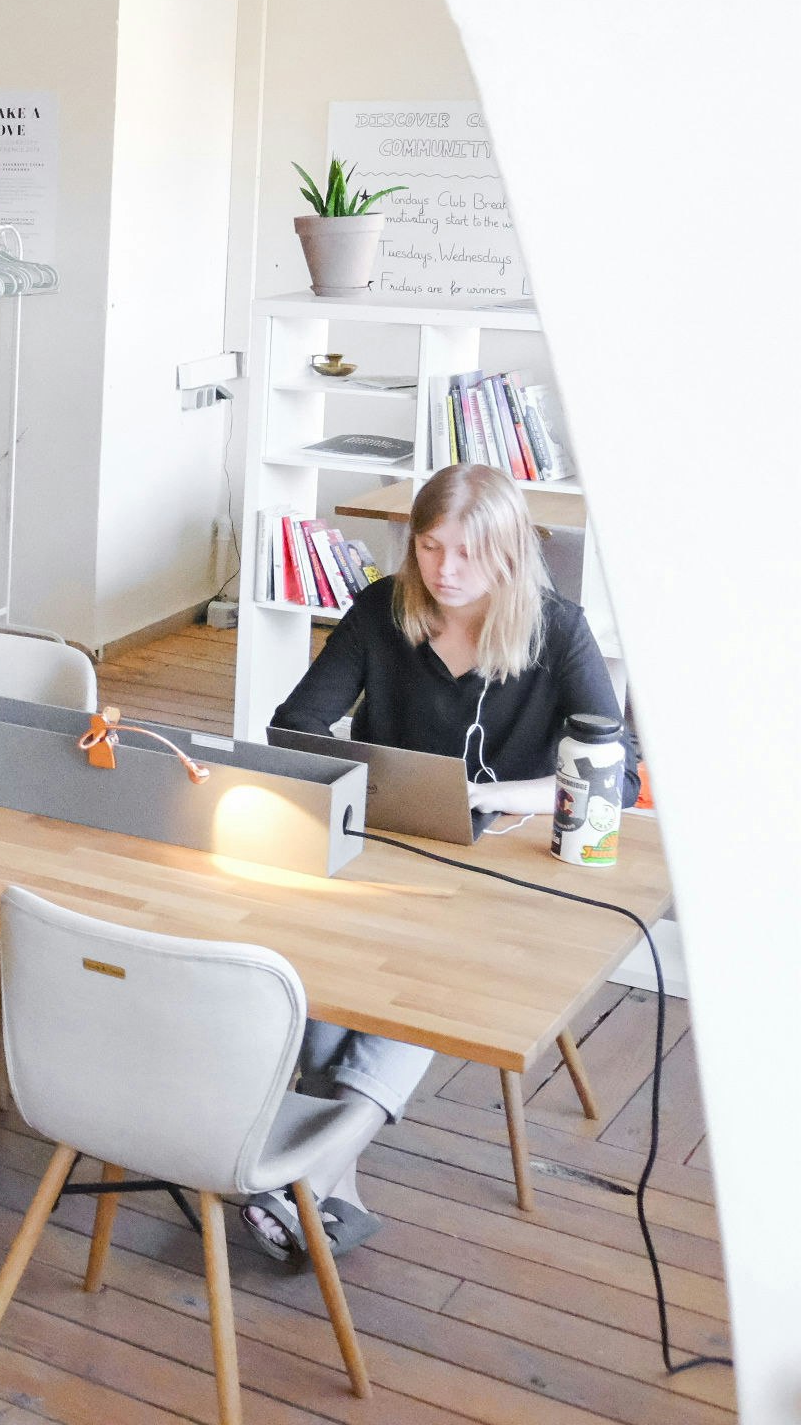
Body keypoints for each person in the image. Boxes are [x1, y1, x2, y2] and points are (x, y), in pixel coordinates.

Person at [253, 461, 625, 1263]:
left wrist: (496, 799)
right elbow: (295, 730)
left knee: (424, 982)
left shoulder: (556, 629)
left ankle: (304, 1178)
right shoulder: (383, 610)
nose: (445, 573)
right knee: (324, 994)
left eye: (466, 554)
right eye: (428, 549)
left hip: (499, 870)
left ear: (508, 553)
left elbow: (613, 766)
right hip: (386, 847)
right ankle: (331, 1188)